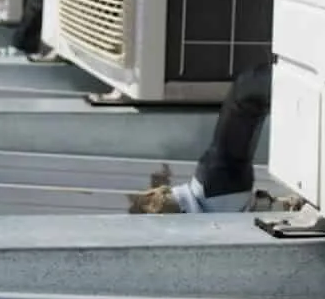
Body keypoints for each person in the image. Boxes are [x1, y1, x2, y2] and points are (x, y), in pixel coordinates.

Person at [127, 62, 299, 213]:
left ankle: (296, 83)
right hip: (213, 189)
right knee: (245, 95)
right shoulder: (154, 219)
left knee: (248, 102)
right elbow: (163, 203)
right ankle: (298, 79)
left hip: (222, 200)